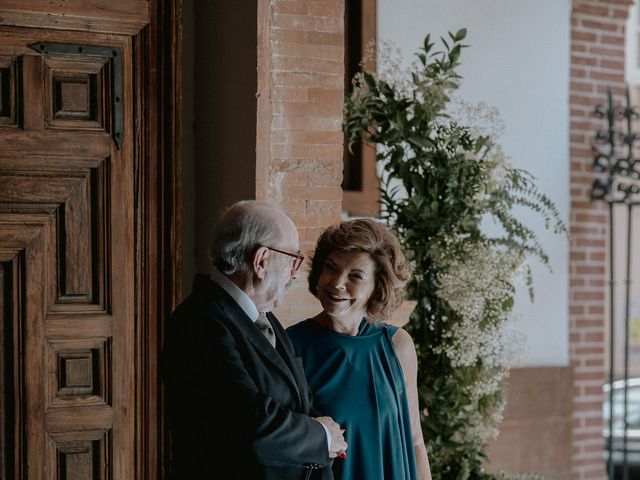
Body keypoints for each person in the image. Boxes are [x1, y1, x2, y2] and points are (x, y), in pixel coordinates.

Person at [162, 201, 347, 480]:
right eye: (293, 260)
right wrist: (321, 436)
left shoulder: (264, 315)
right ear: (261, 260)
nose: (295, 273)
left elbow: (298, 400)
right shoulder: (199, 322)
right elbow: (247, 423)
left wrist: (327, 433)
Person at [287, 218, 432, 480]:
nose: (337, 283)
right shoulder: (291, 347)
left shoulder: (398, 345)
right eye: (331, 268)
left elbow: (415, 442)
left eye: (355, 276)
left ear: (377, 287)